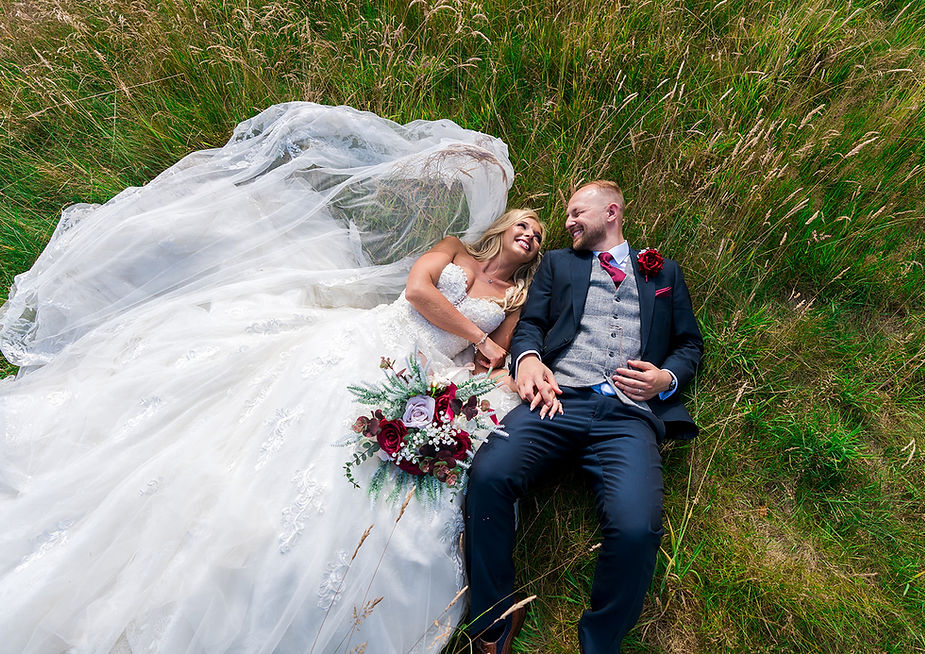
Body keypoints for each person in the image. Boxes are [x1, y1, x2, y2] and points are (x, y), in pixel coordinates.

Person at [0, 103, 546, 654]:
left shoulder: (513, 298)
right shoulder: (452, 248)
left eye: (538, 235)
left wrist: (484, 360)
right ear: (501, 229)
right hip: (383, 340)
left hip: (428, 377)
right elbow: (418, 292)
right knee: (299, 413)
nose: (529, 233)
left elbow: (498, 356)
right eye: (524, 223)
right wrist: (478, 339)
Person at [465, 180, 704, 653]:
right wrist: (528, 358)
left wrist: (665, 380)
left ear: (611, 211)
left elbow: (689, 344)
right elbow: (531, 323)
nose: (568, 222)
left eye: (577, 213)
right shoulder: (558, 264)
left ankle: (600, 643)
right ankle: (494, 624)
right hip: (558, 398)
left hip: (629, 418)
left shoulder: (665, 273)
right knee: (489, 473)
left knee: (637, 528)